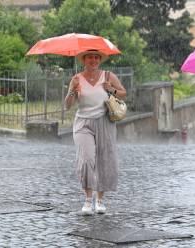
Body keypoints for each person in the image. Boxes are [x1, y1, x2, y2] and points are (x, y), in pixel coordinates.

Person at [65, 50, 126, 215]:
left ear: (100, 60)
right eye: (90, 57)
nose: (93, 60)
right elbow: (67, 105)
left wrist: (111, 89)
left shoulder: (108, 76)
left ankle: (99, 200)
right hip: (83, 123)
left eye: (96, 57)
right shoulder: (77, 79)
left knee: (104, 159)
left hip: (104, 121)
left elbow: (123, 93)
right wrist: (72, 89)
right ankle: (87, 200)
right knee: (87, 159)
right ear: (84, 59)